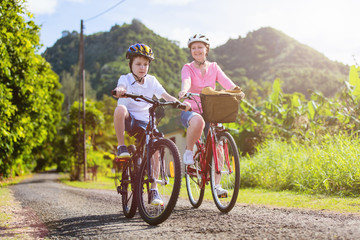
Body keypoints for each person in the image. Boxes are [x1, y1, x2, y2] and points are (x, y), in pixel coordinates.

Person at [113, 43, 190, 205]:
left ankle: (154, 189)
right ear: (131, 65)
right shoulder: (125, 79)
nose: (142, 67)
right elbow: (120, 86)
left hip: (148, 120)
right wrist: (120, 90)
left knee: (155, 149)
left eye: (146, 64)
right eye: (138, 64)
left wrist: (180, 103)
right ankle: (122, 147)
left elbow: (165, 95)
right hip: (130, 119)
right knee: (120, 109)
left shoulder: (152, 81)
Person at [178, 34, 244, 196]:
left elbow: (227, 82)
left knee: (219, 145)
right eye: (193, 48)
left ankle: (217, 185)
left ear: (206, 49)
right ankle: (188, 151)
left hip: (211, 110)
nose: (197, 50)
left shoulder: (214, 67)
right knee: (198, 121)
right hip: (191, 109)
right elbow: (186, 81)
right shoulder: (188, 67)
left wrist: (237, 91)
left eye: (200, 47)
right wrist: (184, 91)